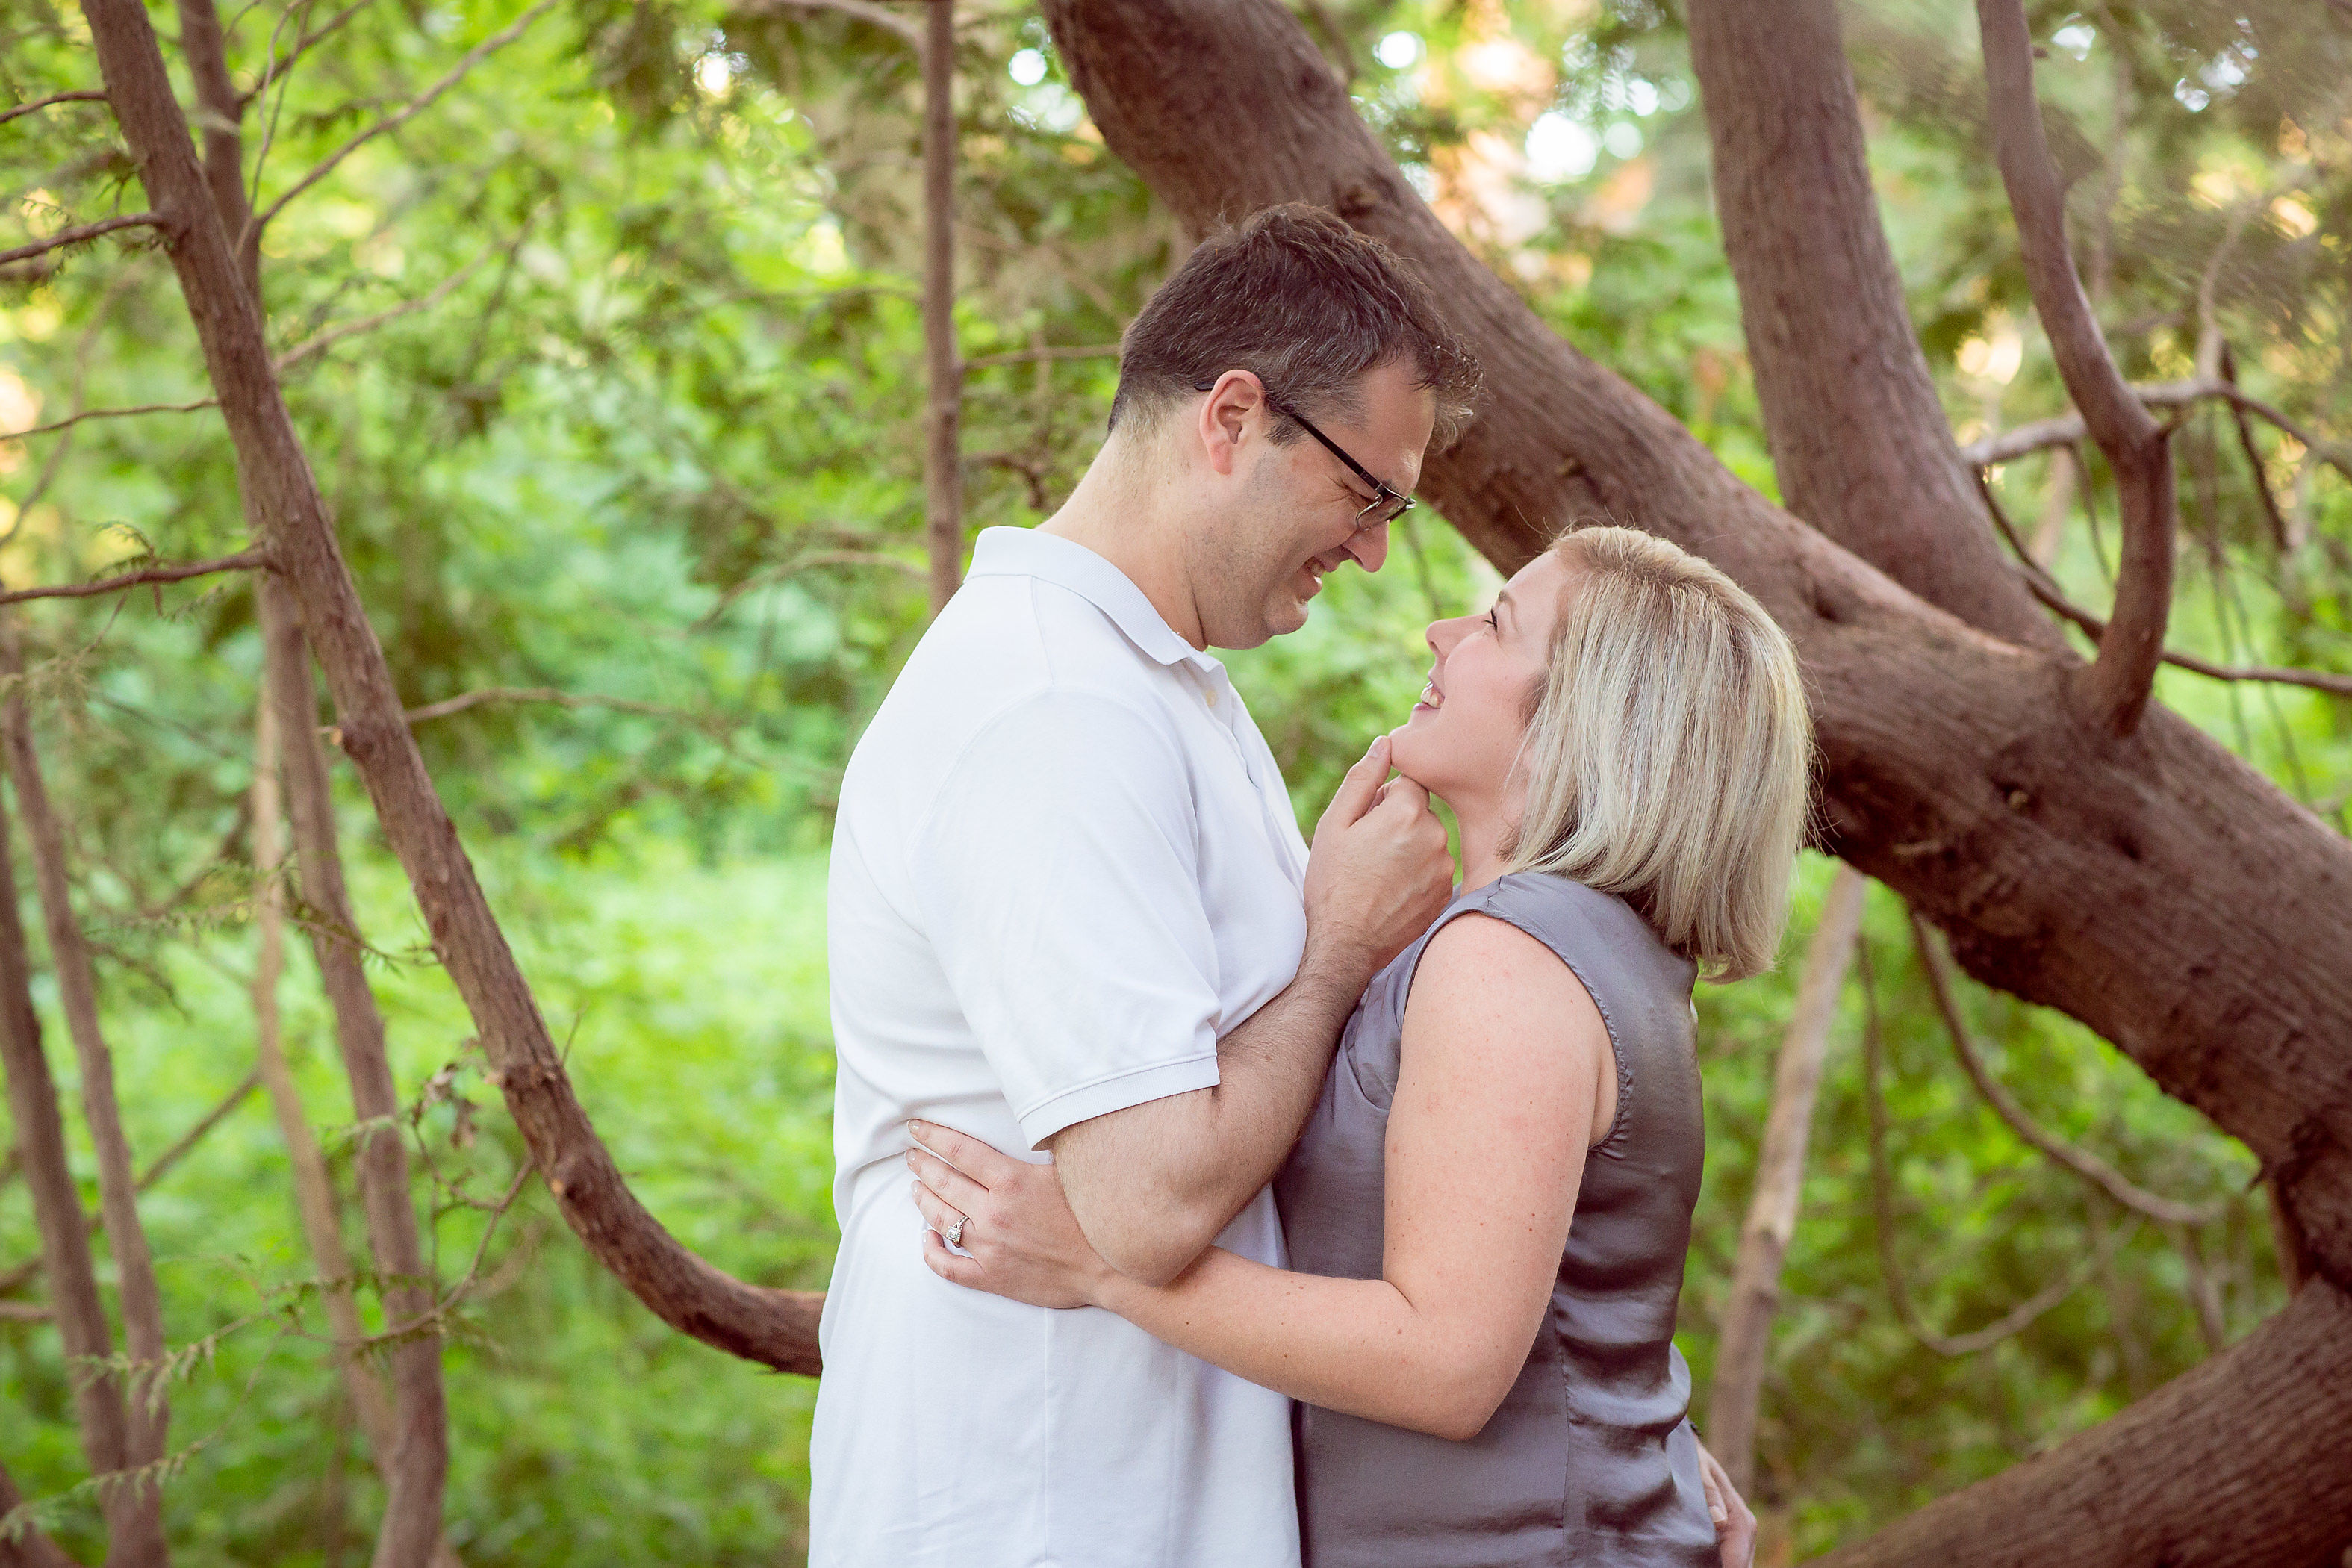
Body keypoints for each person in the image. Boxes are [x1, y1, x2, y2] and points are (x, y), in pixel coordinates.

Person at [907, 524, 1808, 1567]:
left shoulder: (1505, 961)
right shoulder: (1587, 945)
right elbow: (1578, 1285)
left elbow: (1445, 1363)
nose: (1441, 632)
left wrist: (1098, 1265)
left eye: (1495, 625)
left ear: (1585, 718)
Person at [808, 203, 1479, 1567]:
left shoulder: (1152, 681)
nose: (1372, 553)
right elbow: (1152, 1198)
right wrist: (1339, 945)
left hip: (1150, 1483)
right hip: (1040, 1499)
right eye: (1368, 494)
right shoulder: (1051, 708)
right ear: (1233, 418)